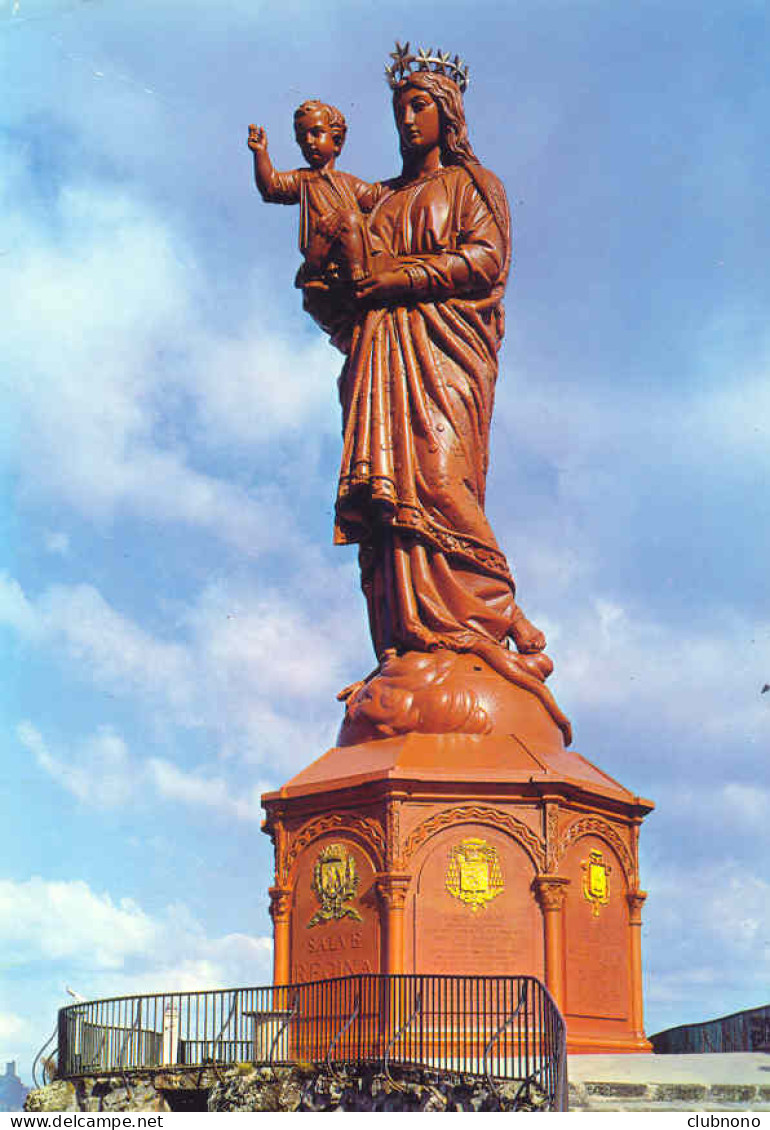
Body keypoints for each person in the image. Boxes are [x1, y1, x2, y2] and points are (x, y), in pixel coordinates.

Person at [327, 58, 565, 720]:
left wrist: (403, 280)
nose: (407, 119)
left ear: (447, 114)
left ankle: (494, 620)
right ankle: (408, 641)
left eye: (419, 106)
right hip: (381, 360)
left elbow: (486, 261)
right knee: (387, 498)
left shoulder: (472, 185)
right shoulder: (379, 199)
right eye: (400, 107)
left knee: (438, 475)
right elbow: (343, 279)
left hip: (445, 356)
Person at [248, 100, 383, 290]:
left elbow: (378, 199)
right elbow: (271, 186)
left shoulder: (349, 182)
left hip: (349, 252)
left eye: (316, 133)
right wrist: (260, 153)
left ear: (336, 141)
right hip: (320, 250)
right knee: (349, 219)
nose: (309, 142)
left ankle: (359, 280)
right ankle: (345, 281)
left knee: (351, 220)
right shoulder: (303, 179)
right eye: (302, 139)